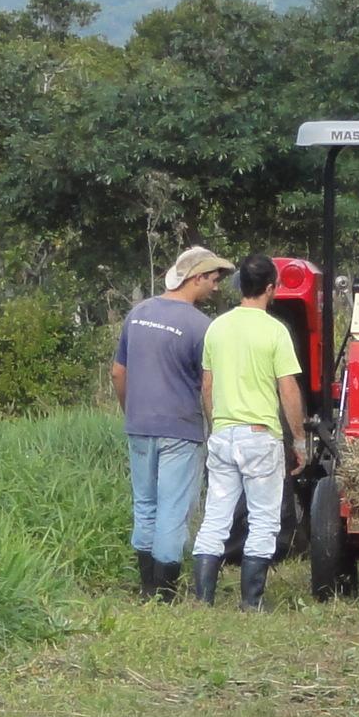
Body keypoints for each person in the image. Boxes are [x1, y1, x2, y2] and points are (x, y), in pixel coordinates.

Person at [190, 256, 309, 612]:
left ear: (240, 285)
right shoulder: (275, 331)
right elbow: (288, 389)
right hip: (260, 436)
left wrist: (216, 426)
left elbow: (207, 386)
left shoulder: (217, 327)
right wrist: (299, 440)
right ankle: (251, 601)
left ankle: (203, 599)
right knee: (263, 520)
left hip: (223, 434)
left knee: (216, 516)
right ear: (271, 288)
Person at [113, 246, 231, 599]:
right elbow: (208, 384)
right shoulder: (201, 327)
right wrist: (214, 427)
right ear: (195, 278)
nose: (216, 287)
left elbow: (118, 373)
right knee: (173, 509)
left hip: (139, 424)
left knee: (145, 504)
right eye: (213, 279)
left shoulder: (137, 314)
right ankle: (165, 592)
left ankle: (147, 586)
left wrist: (130, 409)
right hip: (180, 429)